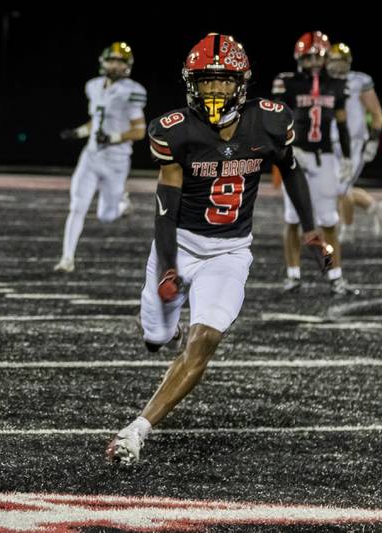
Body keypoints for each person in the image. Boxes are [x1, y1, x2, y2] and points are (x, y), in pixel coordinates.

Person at [106, 33, 332, 465]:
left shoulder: (267, 121)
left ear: (241, 83)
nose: (214, 91)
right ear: (191, 84)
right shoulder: (176, 131)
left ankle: (137, 429)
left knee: (204, 339)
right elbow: (164, 212)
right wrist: (170, 268)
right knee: (155, 338)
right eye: (206, 82)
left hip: (229, 253)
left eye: (223, 82)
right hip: (180, 245)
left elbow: (291, 168)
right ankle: (164, 330)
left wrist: (311, 230)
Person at [272, 31, 357, 295]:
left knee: (329, 221)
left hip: (325, 157)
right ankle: (293, 275)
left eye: (317, 57)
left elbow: (341, 124)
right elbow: (276, 121)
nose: (313, 63)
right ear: (299, 57)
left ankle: (334, 274)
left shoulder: (337, 84)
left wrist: (346, 156)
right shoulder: (287, 82)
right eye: (308, 57)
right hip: (296, 155)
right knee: (293, 219)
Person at [55, 42, 147, 273]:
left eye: (119, 61)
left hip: (117, 161)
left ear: (127, 65)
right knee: (77, 206)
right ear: (103, 62)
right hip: (91, 156)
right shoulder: (94, 86)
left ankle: (122, 204)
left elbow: (139, 130)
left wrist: (114, 137)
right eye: (111, 60)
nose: (114, 65)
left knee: (106, 216)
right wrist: (78, 132)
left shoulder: (133, 91)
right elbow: (95, 123)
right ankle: (67, 258)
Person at [326, 42, 382, 242]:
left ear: (349, 62)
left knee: (342, 188)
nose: (337, 65)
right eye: (334, 61)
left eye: (341, 61)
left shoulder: (359, 81)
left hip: (353, 142)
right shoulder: (323, 81)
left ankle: (348, 229)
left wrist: (373, 141)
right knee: (338, 187)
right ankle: (374, 207)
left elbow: (376, 113)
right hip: (330, 141)